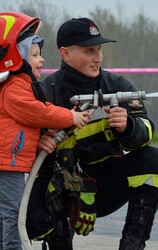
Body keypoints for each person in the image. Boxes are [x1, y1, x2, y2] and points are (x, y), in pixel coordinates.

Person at [26, 17, 158, 250]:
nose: (98, 57)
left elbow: (147, 130)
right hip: (62, 191)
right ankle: (58, 238)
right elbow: (17, 143)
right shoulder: (44, 92)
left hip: (104, 186)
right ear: (65, 53)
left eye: (99, 49)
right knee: (37, 218)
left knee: (151, 158)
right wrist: (38, 142)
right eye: (89, 50)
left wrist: (128, 127)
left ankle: (133, 244)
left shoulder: (118, 86)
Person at [0, 12, 91, 250]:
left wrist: (64, 118)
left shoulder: (22, 86)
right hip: (6, 166)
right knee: (12, 213)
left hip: (12, 164)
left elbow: (43, 108)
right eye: (35, 54)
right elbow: (39, 112)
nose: (41, 60)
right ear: (15, 58)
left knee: (10, 211)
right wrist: (70, 116)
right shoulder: (13, 89)